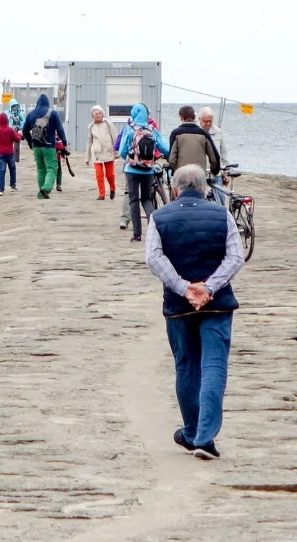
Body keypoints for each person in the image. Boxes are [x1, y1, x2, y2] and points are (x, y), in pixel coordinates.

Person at [145, 164, 245, 460]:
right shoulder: (222, 215)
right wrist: (209, 287)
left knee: (186, 366)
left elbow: (153, 258)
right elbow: (235, 257)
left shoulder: (159, 217)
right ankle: (204, 437)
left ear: (175, 190)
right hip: (217, 305)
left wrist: (183, 288)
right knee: (214, 366)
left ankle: (191, 431)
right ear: (204, 188)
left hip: (178, 307)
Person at [120, 103, 170, 241]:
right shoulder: (152, 129)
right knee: (147, 199)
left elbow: (122, 151)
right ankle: (154, 229)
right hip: (148, 170)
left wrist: (130, 159)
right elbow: (165, 148)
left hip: (131, 170)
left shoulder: (129, 129)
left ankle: (137, 234)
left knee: (134, 200)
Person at [167, 106, 222, 203]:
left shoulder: (176, 133)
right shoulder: (204, 134)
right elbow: (214, 157)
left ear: (181, 117)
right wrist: (214, 170)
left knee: (178, 201)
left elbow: (172, 159)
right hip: (199, 176)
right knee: (200, 201)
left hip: (182, 176)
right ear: (194, 117)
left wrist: (178, 170)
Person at [22, 93, 67, 199]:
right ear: (48, 103)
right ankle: (46, 188)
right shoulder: (53, 113)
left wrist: (30, 143)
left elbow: (24, 130)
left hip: (36, 146)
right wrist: (64, 143)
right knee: (52, 168)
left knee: (41, 169)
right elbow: (60, 129)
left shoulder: (30, 114)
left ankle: (41, 194)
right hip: (49, 146)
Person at [86, 105, 117, 201]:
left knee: (109, 174)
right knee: (99, 174)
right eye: (96, 114)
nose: (98, 115)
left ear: (102, 114)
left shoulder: (108, 124)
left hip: (108, 151)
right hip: (97, 153)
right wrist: (87, 157)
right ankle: (102, 194)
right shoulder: (91, 126)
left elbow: (115, 138)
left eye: (100, 113)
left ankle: (112, 188)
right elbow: (89, 141)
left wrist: (117, 152)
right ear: (92, 116)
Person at [0, 111, 20, 195]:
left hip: (1, 154)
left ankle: (1, 189)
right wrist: (19, 135)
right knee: (12, 169)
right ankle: (13, 185)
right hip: (10, 153)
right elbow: (17, 139)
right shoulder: (10, 130)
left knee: (2, 171)